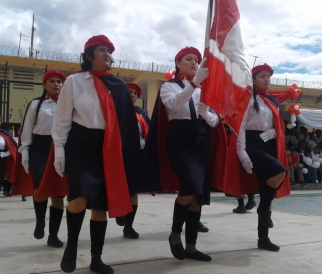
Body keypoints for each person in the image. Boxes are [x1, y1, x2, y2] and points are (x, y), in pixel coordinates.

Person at [52, 35, 140, 273]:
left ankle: (96, 257)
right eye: (102, 50)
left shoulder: (119, 86)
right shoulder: (74, 82)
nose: (107, 54)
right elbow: (62, 119)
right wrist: (60, 151)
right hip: (80, 144)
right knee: (78, 197)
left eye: (110, 51)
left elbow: (126, 126)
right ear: (89, 55)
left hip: (108, 147)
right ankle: (71, 245)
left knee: (100, 205)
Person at [142, 47, 218, 262]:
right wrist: (194, 84)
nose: (194, 62)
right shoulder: (168, 87)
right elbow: (174, 104)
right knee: (190, 187)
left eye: (197, 60)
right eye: (189, 59)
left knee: (197, 196)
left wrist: (207, 115)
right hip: (180, 140)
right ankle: (175, 233)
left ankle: (191, 246)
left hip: (201, 140)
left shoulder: (205, 90)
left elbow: (216, 120)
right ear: (177, 63)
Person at [237, 63, 290, 252]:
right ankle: (262, 208)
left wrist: (274, 133)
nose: (267, 79)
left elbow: (279, 125)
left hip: (269, 143)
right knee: (278, 170)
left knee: (266, 190)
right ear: (253, 80)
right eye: (262, 76)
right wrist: (241, 150)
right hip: (251, 143)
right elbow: (240, 125)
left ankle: (263, 239)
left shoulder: (273, 101)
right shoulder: (247, 98)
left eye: (268, 76)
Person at [17, 70, 66, 248]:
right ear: (44, 85)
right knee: (40, 189)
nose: (56, 84)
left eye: (59, 82)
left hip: (61, 148)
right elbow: (28, 128)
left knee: (59, 194)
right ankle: (40, 221)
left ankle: (53, 235)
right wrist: (25, 151)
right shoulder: (36, 104)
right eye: (52, 81)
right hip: (40, 148)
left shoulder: (68, 104)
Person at [114, 82, 150, 239]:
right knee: (117, 187)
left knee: (133, 191)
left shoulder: (141, 114)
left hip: (135, 157)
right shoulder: (114, 111)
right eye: (129, 92)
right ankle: (119, 211)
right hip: (116, 155)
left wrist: (138, 145)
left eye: (134, 93)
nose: (132, 95)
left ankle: (129, 227)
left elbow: (147, 135)